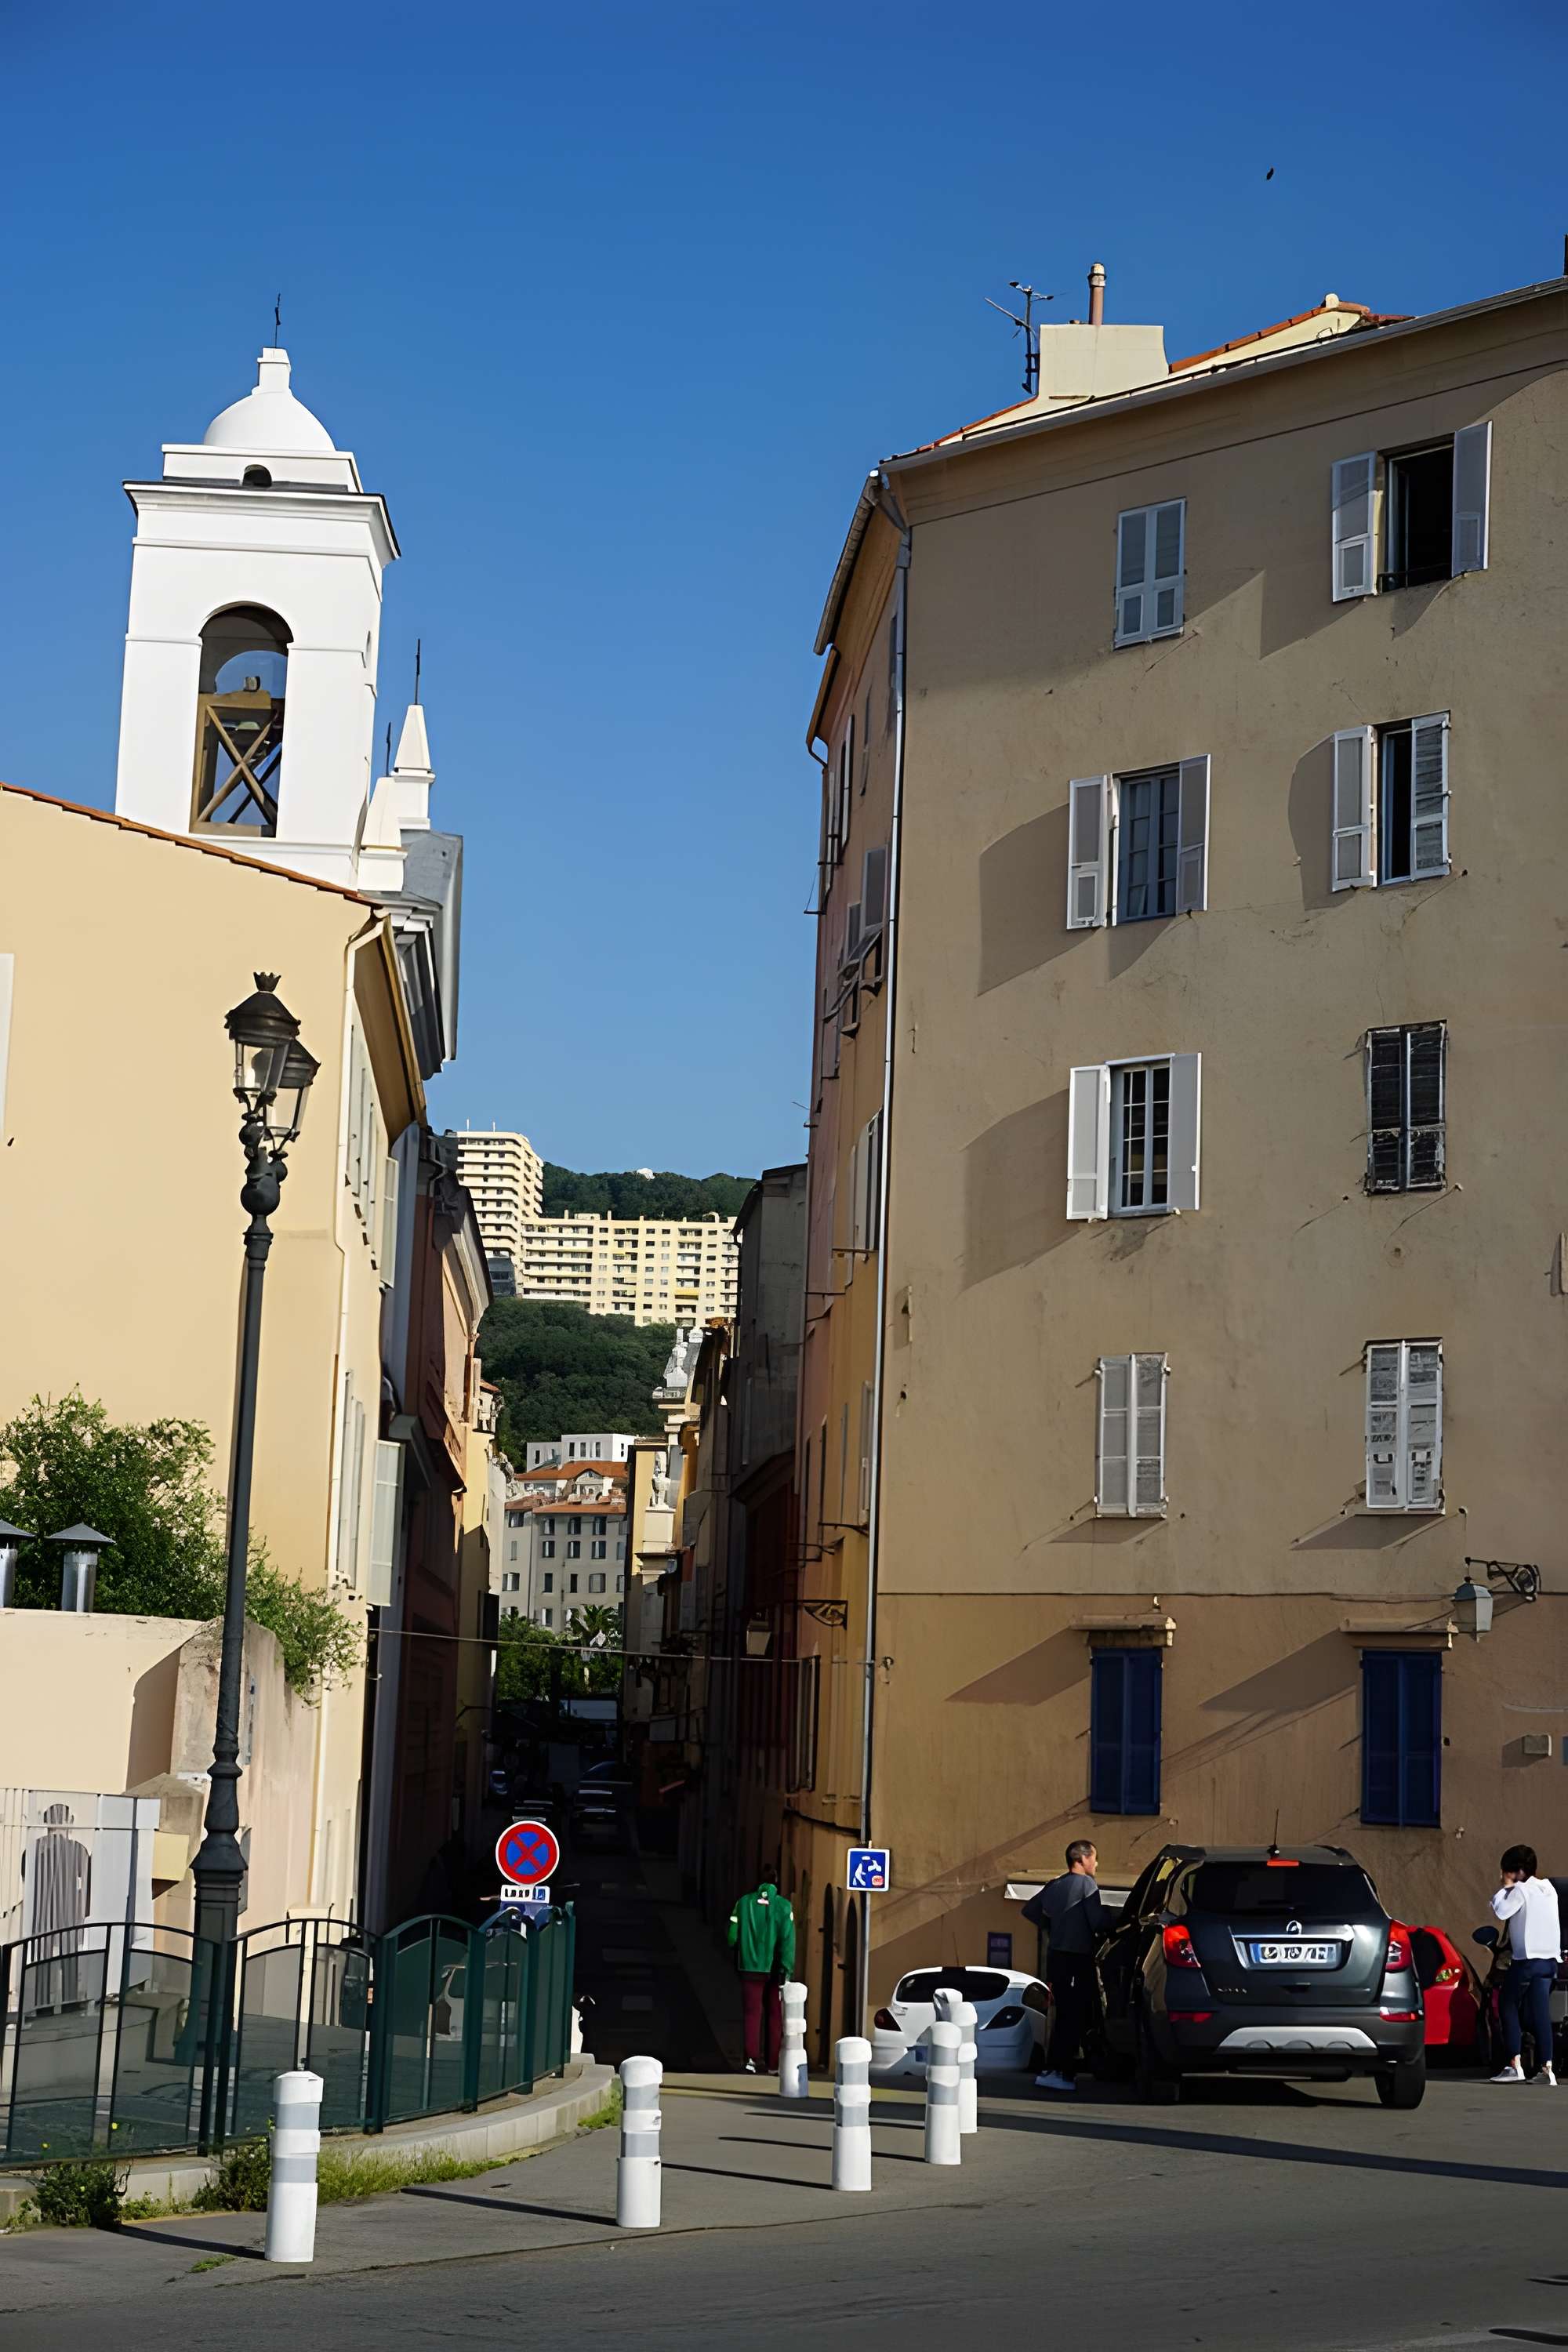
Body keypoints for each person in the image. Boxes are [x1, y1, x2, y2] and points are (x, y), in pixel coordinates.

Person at [1022, 1838, 1103, 2093]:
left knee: (1064, 2013)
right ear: (1081, 1860)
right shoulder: (1086, 1885)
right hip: (1076, 1958)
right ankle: (1060, 2071)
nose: (1096, 1863)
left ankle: (1053, 2068)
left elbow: (1030, 1910)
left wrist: (1053, 1928)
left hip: (1056, 1958)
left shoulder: (1054, 1885)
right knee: (1074, 2016)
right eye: (1094, 1858)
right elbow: (1098, 1922)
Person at [1490, 1844, 1561, 2086]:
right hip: (1550, 1961)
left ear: (1517, 1871)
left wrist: (1506, 1887)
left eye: (1507, 1871)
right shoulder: (1549, 1888)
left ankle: (1514, 2065)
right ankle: (1546, 2069)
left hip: (1526, 1960)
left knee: (1507, 2004)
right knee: (1541, 2012)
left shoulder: (1520, 1890)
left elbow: (1501, 1912)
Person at [727, 1871, 796, 2073]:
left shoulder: (743, 1903)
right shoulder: (784, 1907)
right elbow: (787, 1942)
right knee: (775, 2016)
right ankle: (773, 2064)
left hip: (749, 1968)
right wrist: (786, 1968)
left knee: (752, 2014)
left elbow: (732, 1935)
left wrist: (741, 1948)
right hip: (775, 1971)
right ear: (777, 1883)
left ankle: (751, 2060)